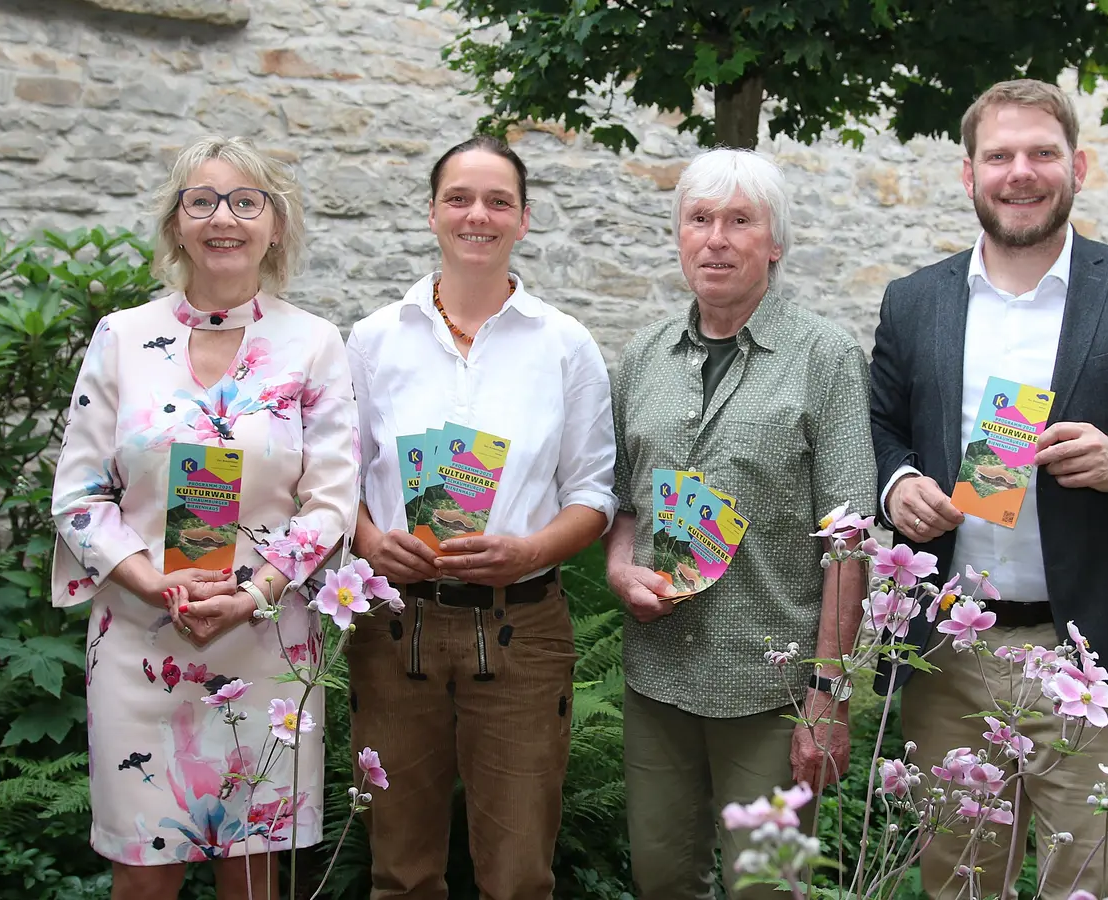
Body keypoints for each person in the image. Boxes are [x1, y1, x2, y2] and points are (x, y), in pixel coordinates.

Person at [868, 79, 1108, 900]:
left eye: (1041, 152)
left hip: (1093, 660)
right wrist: (896, 484)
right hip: (951, 663)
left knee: (1099, 888)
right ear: (969, 175)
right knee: (959, 885)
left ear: (1076, 166)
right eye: (998, 155)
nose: (1020, 172)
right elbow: (878, 429)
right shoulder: (914, 302)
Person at [50, 135, 359, 899]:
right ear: (176, 224)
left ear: (275, 225)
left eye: (246, 201)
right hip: (140, 636)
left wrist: (254, 592)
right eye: (203, 201)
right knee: (141, 871)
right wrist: (153, 583)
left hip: (265, 634)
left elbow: (331, 498)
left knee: (253, 874)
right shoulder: (121, 338)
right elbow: (80, 495)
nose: (225, 218)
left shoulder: (314, 344)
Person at [343, 135, 617, 900]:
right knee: (398, 869)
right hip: (397, 627)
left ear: (524, 220)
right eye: (459, 197)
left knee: (520, 874)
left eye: (498, 201)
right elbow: (338, 477)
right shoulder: (372, 340)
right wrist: (369, 540)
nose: (478, 214)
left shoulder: (565, 346)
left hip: (520, 631)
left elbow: (595, 493)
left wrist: (528, 551)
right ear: (432, 213)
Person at [604, 147, 877, 900]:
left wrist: (829, 693)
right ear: (679, 235)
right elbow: (626, 502)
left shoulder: (825, 358)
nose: (716, 238)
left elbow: (848, 541)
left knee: (767, 888)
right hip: (658, 675)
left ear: (775, 242)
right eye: (699, 219)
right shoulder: (645, 357)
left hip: (772, 685)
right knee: (662, 880)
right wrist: (620, 566)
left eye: (739, 221)